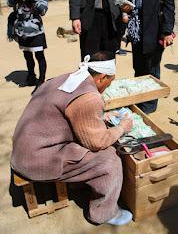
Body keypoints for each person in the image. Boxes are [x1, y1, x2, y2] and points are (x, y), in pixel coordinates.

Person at [11, 51, 133, 226]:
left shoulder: (67, 77)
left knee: (91, 145)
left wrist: (101, 117)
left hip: (26, 148)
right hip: (35, 160)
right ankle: (104, 214)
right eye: (109, 82)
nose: (108, 87)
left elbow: (68, 112)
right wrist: (122, 127)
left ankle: (80, 183)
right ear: (101, 77)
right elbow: (97, 143)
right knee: (110, 159)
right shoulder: (89, 98)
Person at [121, 0, 175, 114]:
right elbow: (128, 1)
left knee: (151, 70)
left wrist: (167, 32)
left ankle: (149, 107)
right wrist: (125, 8)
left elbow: (169, 8)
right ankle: (139, 100)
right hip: (136, 34)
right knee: (139, 68)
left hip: (154, 33)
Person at [7, 0, 48, 94]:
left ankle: (41, 82)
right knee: (27, 55)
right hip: (22, 30)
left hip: (36, 30)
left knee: (39, 55)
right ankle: (31, 77)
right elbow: (9, 2)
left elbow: (42, 10)